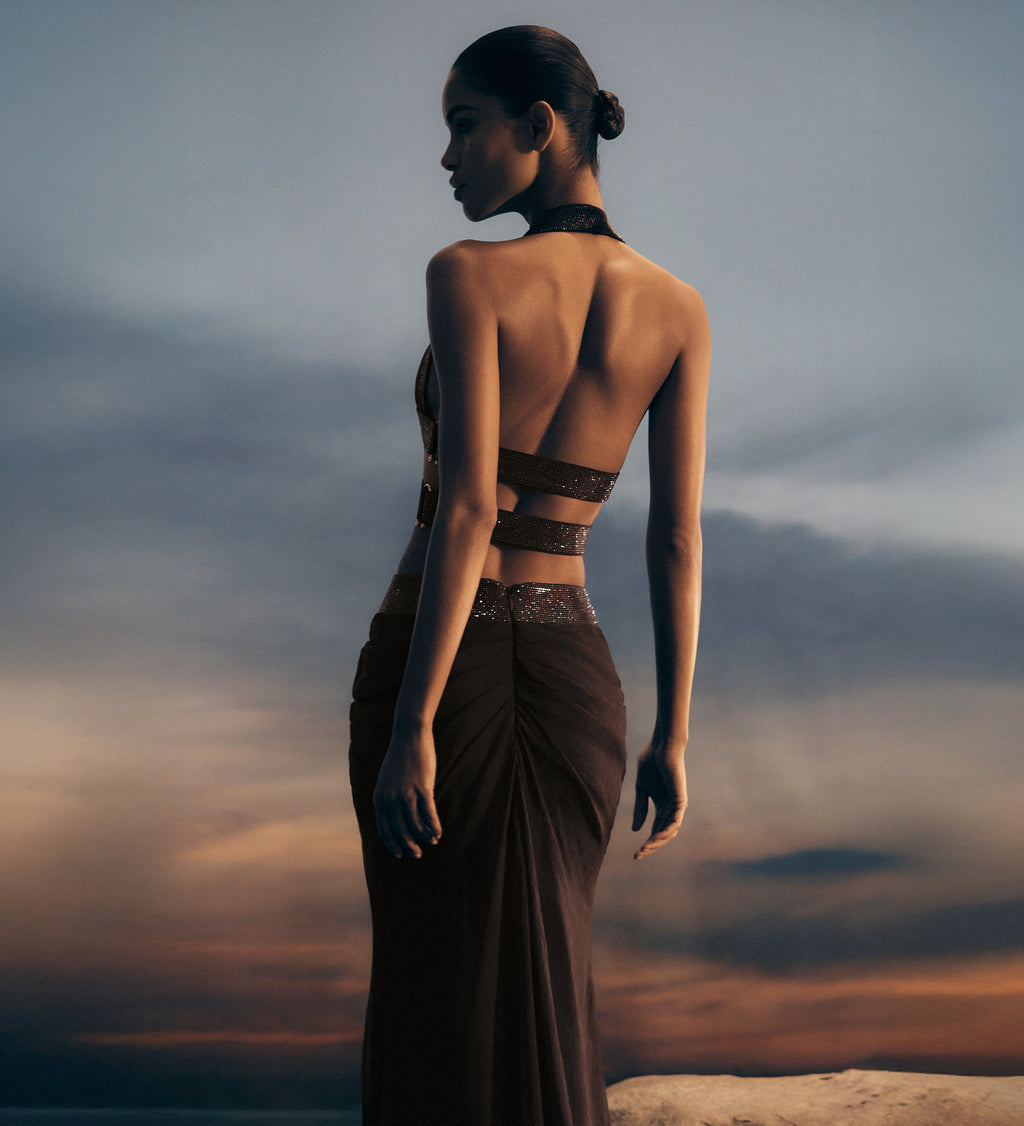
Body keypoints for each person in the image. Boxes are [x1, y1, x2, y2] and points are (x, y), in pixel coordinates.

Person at [349, 25, 710, 1126]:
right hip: (574, 678)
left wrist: (414, 722)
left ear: (539, 125)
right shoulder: (679, 309)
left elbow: (467, 507)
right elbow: (678, 539)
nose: (447, 156)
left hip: (436, 658)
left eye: (465, 125)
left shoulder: (466, 275)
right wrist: (672, 736)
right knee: (549, 967)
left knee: (431, 980)